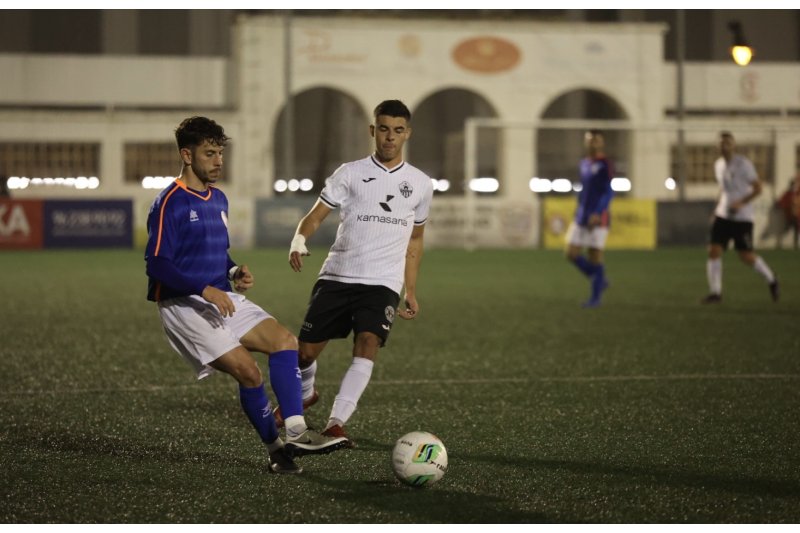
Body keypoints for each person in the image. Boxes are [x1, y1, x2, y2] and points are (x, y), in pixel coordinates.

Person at [144, 116, 347, 475]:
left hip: (219, 295)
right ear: (187, 156)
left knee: (285, 341)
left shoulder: (218, 198)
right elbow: (157, 264)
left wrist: (233, 271)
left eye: (221, 153)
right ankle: (276, 449)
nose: (219, 161)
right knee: (250, 373)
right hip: (182, 305)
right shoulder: (169, 202)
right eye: (210, 153)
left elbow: (214, 255)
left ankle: (297, 432)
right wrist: (204, 288)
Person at [273, 100, 434, 447]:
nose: (390, 137)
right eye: (384, 129)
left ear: (408, 133)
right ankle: (304, 395)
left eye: (398, 130)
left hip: (382, 283)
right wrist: (299, 239)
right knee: (304, 355)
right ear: (373, 130)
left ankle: (336, 422)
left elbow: (415, 240)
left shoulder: (420, 184)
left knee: (368, 342)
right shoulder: (350, 172)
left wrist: (411, 289)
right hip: (338, 274)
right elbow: (315, 216)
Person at [701, 131, 779, 304]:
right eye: (721, 143)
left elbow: (758, 188)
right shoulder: (718, 165)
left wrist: (741, 203)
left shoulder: (744, 164)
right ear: (717, 146)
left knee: (746, 255)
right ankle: (716, 293)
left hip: (742, 218)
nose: (724, 146)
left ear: (734, 145)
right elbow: (723, 189)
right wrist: (716, 210)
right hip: (723, 215)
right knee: (714, 251)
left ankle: (772, 279)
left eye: (728, 143)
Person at [565, 129, 613, 308]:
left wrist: (598, 213)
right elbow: (584, 190)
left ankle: (595, 298)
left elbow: (608, 192)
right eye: (589, 140)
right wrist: (578, 208)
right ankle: (600, 279)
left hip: (598, 218)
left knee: (595, 256)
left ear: (602, 143)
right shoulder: (584, 163)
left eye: (596, 140)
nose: (592, 143)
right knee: (570, 253)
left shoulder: (605, 164)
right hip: (581, 216)